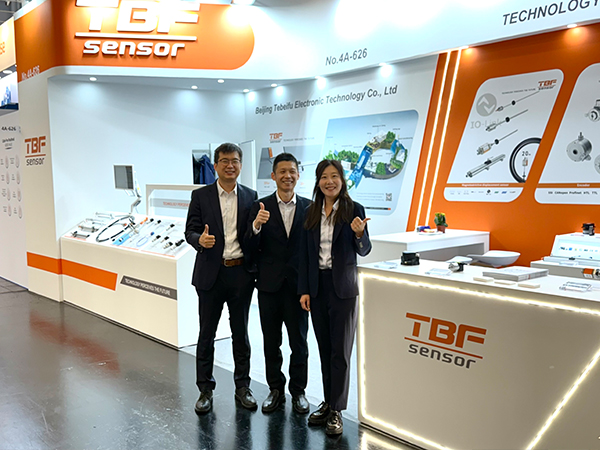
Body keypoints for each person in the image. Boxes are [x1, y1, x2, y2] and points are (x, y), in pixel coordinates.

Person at [298, 159, 371, 436]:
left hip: (343, 290)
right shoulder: (311, 212)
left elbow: (364, 249)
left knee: (340, 351)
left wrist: (360, 234)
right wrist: (304, 289)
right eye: (324, 177)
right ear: (318, 182)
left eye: (334, 176)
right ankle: (328, 402)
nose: (329, 182)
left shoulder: (354, 210)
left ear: (342, 179)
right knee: (324, 348)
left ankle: (337, 410)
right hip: (318, 287)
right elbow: (305, 255)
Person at [185, 142, 258, 414]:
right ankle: (205, 389)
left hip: (240, 274)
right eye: (224, 161)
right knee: (207, 333)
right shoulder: (200, 196)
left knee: (241, 333)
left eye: (235, 161)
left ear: (241, 165)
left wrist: (257, 228)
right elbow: (190, 231)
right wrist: (199, 240)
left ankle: (243, 386)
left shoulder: (251, 196)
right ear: (215, 165)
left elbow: (252, 237)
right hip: (210, 275)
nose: (230, 165)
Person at [244, 153, 311, 414]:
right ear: (273, 176)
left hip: (298, 290)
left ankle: (299, 391)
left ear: (298, 175)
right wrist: (256, 227)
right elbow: (249, 247)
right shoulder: (260, 207)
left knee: (299, 343)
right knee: (271, 342)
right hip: (269, 287)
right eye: (282, 171)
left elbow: (312, 251)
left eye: (292, 171)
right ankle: (275, 389)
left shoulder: (310, 208)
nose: (287, 176)